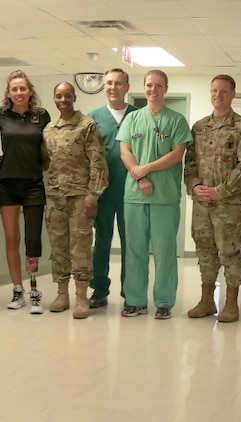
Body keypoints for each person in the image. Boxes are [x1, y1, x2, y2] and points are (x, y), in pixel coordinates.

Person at [117, 70, 192, 320]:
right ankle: (135, 300)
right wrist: (140, 177)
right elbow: (125, 151)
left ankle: (164, 302)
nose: (153, 90)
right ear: (143, 87)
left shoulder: (177, 120)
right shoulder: (132, 119)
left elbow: (176, 154)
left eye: (158, 85)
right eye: (149, 85)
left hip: (165, 197)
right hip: (135, 196)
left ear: (166, 89)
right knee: (135, 250)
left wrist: (146, 168)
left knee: (165, 252)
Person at [183, 75, 241, 322]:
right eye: (214, 90)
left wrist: (220, 191)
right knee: (204, 250)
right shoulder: (200, 127)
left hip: (228, 203)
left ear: (233, 94)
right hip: (202, 202)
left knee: (230, 252)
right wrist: (194, 186)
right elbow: (190, 162)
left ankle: (231, 303)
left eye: (224, 91)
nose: (218, 95)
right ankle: (206, 300)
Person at [41, 83, 108, 319]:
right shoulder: (49, 129)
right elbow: (45, 162)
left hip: (81, 197)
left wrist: (93, 195)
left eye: (67, 96)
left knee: (80, 249)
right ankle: (62, 294)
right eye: (58, 96)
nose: (63, 100)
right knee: (58, 247)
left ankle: (81, 296)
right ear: (54, 98)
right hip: (56, 197)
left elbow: (98, 164)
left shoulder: (87, 125)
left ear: (74, 97)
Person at [0, 70, 51, 313]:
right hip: (8, 185)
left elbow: (52, 143)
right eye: (14, 89)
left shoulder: (41, 116)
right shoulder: (0, 114)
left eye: (22, 88)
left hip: (34, 184)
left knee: (32, 240)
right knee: (11, 238)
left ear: (30, 91)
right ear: (9, 92)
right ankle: (18, 289)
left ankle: (35, 289)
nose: (18, 93)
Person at [87, 68, 137, 309]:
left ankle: (131, 292)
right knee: (102, 243)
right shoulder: (93, 118)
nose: (113, 87)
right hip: (103, 193)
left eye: (118, 83)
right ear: (103, 87)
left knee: (132, 244)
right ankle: (99, 290)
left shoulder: (139, 116)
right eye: (108, 83)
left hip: (132, 192)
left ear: (127, 87)